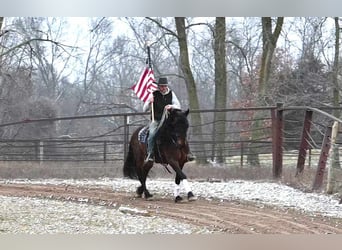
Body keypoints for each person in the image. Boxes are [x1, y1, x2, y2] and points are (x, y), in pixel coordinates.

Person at [143, 77, 196, 163]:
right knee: (152, 134)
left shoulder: (171, 94)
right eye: (161, 86)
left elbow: (178, 105)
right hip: (156, 120)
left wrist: (171, 106)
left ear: (166, 86)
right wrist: (149, 102)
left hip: (168, 120)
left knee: (180, 132)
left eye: (164, 86)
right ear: (158, 86)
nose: (163, 88)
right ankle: (150, 154)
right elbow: (144, 109)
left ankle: (187, 153)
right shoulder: (153, 94)